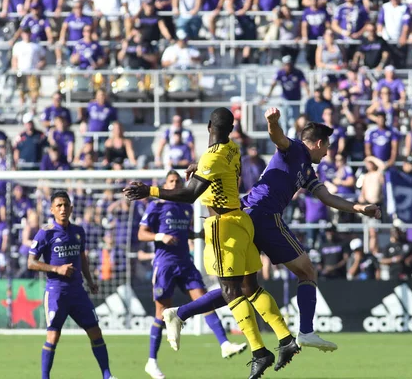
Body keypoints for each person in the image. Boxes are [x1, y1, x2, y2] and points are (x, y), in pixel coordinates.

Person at [152, 108, 381, 354]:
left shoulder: (306, 170)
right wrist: (272, 122)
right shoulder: (294, 149)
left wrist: (358, 207)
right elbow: (278, 137)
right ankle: (305, 332)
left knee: (239, 287)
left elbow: (327, 197)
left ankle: (179, 313)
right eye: (326, 147)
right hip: (263, 215)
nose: (327, 153)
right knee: (307, 270)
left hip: (248, 216)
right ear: (318, 143)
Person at [125, 108, 301, 379]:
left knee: (231, 291)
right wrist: (199, 168)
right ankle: (286, 338)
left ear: (208, 126)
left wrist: (149, 191)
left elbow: (190, 194)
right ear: (230, 130)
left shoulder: (212, 156)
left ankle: (259, 352)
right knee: (251, 286)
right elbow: (220, 173)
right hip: (242, 221)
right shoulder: (232, 148)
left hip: (223, 226)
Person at [139, 170, 247, 378]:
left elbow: (183, 232)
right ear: (165, 184)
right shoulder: (156, 206)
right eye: (171, 181)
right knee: (161, 311)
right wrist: (161, 236)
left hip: (185, 263)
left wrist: (197, 234)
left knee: (204, 300)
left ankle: (224, 344)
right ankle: (151, 361)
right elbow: (141, 233)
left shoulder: (185, 207)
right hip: (165, 264)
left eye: (178, 181)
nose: (174, 184)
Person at [28, 191, 117, 379]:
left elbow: (82, 258)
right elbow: (31, 262)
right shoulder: (46, 232)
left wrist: (90, 281)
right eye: (58, 206)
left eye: (65, 205)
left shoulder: (78, 231)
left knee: (95, 332)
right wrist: (56, 269)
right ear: (52, 209)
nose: (62, 209)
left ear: (71, 208)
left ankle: (107, 375)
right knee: (53, 337)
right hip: (56, 292)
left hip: (78, 292)